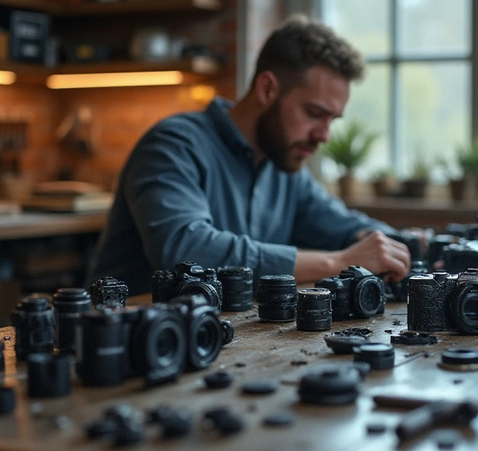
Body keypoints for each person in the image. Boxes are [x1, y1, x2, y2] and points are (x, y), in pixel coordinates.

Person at [87, 15, 414, 297]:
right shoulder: (172, 145)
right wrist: (336, 263)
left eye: (332, 120)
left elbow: (344, 227)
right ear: (267, 89)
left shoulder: (285, 164)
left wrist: (408, 245)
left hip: (220, 345)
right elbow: (186, 252)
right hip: (121, 348)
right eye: (314, 113)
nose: (324, 135)